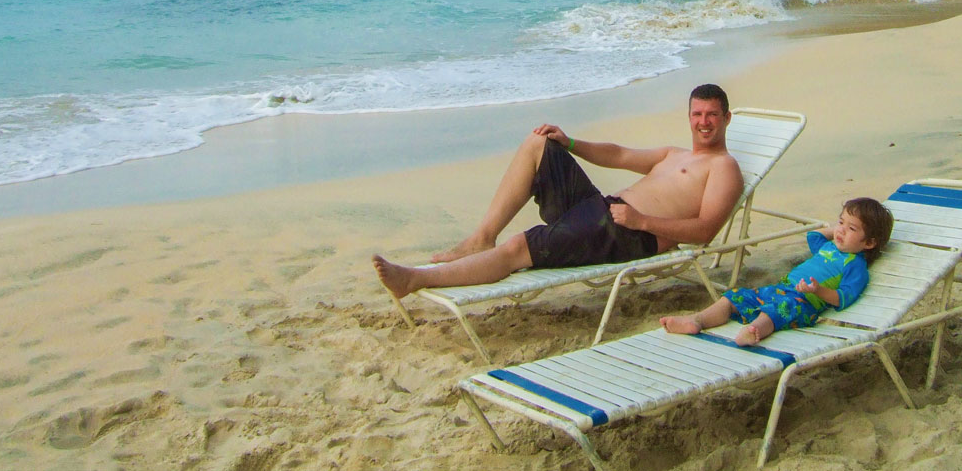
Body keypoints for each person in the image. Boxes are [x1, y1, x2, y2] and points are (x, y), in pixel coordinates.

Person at [373, 83, 743, 298]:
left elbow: (706, 230)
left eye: (712, 115)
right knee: (540, 144)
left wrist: (643, 221)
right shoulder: (673, 154)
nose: (704, 122)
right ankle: (482, 237)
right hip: (604, 210)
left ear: (726, 117)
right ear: (689, 117)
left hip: (627, 233)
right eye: (697, 114)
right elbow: (618, 154)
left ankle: (415, 279)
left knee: (520, 247)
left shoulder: (724, 168)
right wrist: (569, 143)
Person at [659, 196, 895, 346]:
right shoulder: (830, 245)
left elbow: (843, 298)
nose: (841, 230)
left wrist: (819, 290)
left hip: (804, 302)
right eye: (840, 222)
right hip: (780, 288)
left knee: (777, 309)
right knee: (734, 297)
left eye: (851, 228)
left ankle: (754, 331)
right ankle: (697, 320)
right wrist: (838, 231)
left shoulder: (855, 266)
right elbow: (812, 235)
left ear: (870, 243)